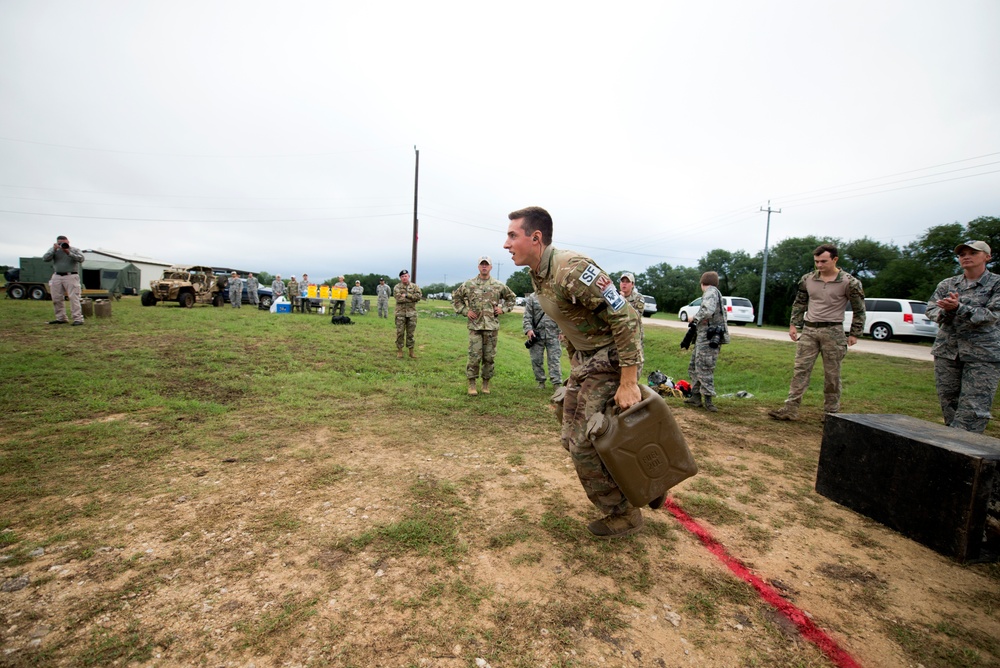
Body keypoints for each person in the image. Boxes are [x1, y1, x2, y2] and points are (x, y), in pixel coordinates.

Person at [503, 206, 646, 538]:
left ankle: (624, 513)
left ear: (535, 238)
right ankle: (640, 483)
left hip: (611, 357)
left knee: (583, 441)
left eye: (512, 235)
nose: (506, 244)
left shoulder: (571, 270)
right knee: (570, 434)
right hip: (587, 359)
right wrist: (577, 367)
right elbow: (572, 321)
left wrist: (628, 381)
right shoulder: (538, 273)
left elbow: (624, 317)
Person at [769, 243, 866, 421]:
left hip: (834, 331)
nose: (819, 265)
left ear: (835, 259)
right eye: (816, 262)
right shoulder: (808, 279)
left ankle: (831, 413)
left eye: (823, 261)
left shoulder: (849, 282)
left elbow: (859, 310)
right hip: (809, 330)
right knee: (800, 370)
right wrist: (794, 325)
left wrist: (854, 333)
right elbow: (799, 303)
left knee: (832, 374)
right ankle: (790, 409)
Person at [926, 240, 1000, 433]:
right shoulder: (948, 284)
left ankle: (968, 451)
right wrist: (946, 312)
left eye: (973, 253)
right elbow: (932, 309)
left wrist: (960, 308)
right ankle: (952, 448)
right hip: (948, 351)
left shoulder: (997, 284)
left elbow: (993, 315)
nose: (966, 256)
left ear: (987, 257)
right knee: (949, 403)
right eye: (962, 254)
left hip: (982, 355)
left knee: (974, 408)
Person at [452, 256, 517, 395]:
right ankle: (472, 384)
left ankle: (486, 383)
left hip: (491, 327)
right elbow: (456, 298)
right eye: (482, 264)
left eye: (486, 265)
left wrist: (503, 309)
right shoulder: (469, 284)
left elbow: (511, 298)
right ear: (478, 267)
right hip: (475, 327)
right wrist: (465, 311)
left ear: (491, 267)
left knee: (489, 357)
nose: (484, 267)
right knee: (474, 356)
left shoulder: (498, 285)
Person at [683, 271, 729, 412]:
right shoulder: (715, 292)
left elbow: (707, 311)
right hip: (704, 337)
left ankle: (708, 400)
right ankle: (695, 397)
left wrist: (694, 318)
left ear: (702, 283)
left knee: (704, 368)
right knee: (694, 366)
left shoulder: (710, 292)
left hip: (708, 339)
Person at [523, 292, 563, 389]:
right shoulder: (532, 298)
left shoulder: (556, 295)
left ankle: (556, 383)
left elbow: (562, 315)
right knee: (536, 359)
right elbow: (527, 316)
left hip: (553, 334)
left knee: (554, 360)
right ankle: (541, 381)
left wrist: (562, 331)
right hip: (537, 334)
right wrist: (528, 329)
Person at [42, 235, 85, 325]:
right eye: (60, 243)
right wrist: (54, 250)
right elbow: (45, 258)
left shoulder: (74, 250)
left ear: (68, 242)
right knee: (56, 298)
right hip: (57, 275)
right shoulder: (54, 250)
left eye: (64, 243)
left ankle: (78, 319)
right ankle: (61, 318)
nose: (62, 245)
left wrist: (68, 252)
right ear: (57, 243)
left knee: (74, 297)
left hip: (71, 275)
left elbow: (81, 259)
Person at [619, 272, 645, 378]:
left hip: (634, 334)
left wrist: (623, 301)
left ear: (632, 284)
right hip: (620, 334)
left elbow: (636, 315)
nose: (624, 284)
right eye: (622, 281)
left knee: (636, 363)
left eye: (627, 282)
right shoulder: (615, 295)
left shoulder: (638, 298)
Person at [393, 269, 422, 358]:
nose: (404, 278)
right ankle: (400, 350)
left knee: (411, 333)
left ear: (408, 276)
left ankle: (411, 351)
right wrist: (412, 298)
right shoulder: (397, 287)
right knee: (400, 332)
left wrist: (406, 295)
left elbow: (419, 297)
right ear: (400, 278)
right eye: (402, 276)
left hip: (412, 314)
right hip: (400, 313)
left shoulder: (415, 286)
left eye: (405, 276)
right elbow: (398, 299)